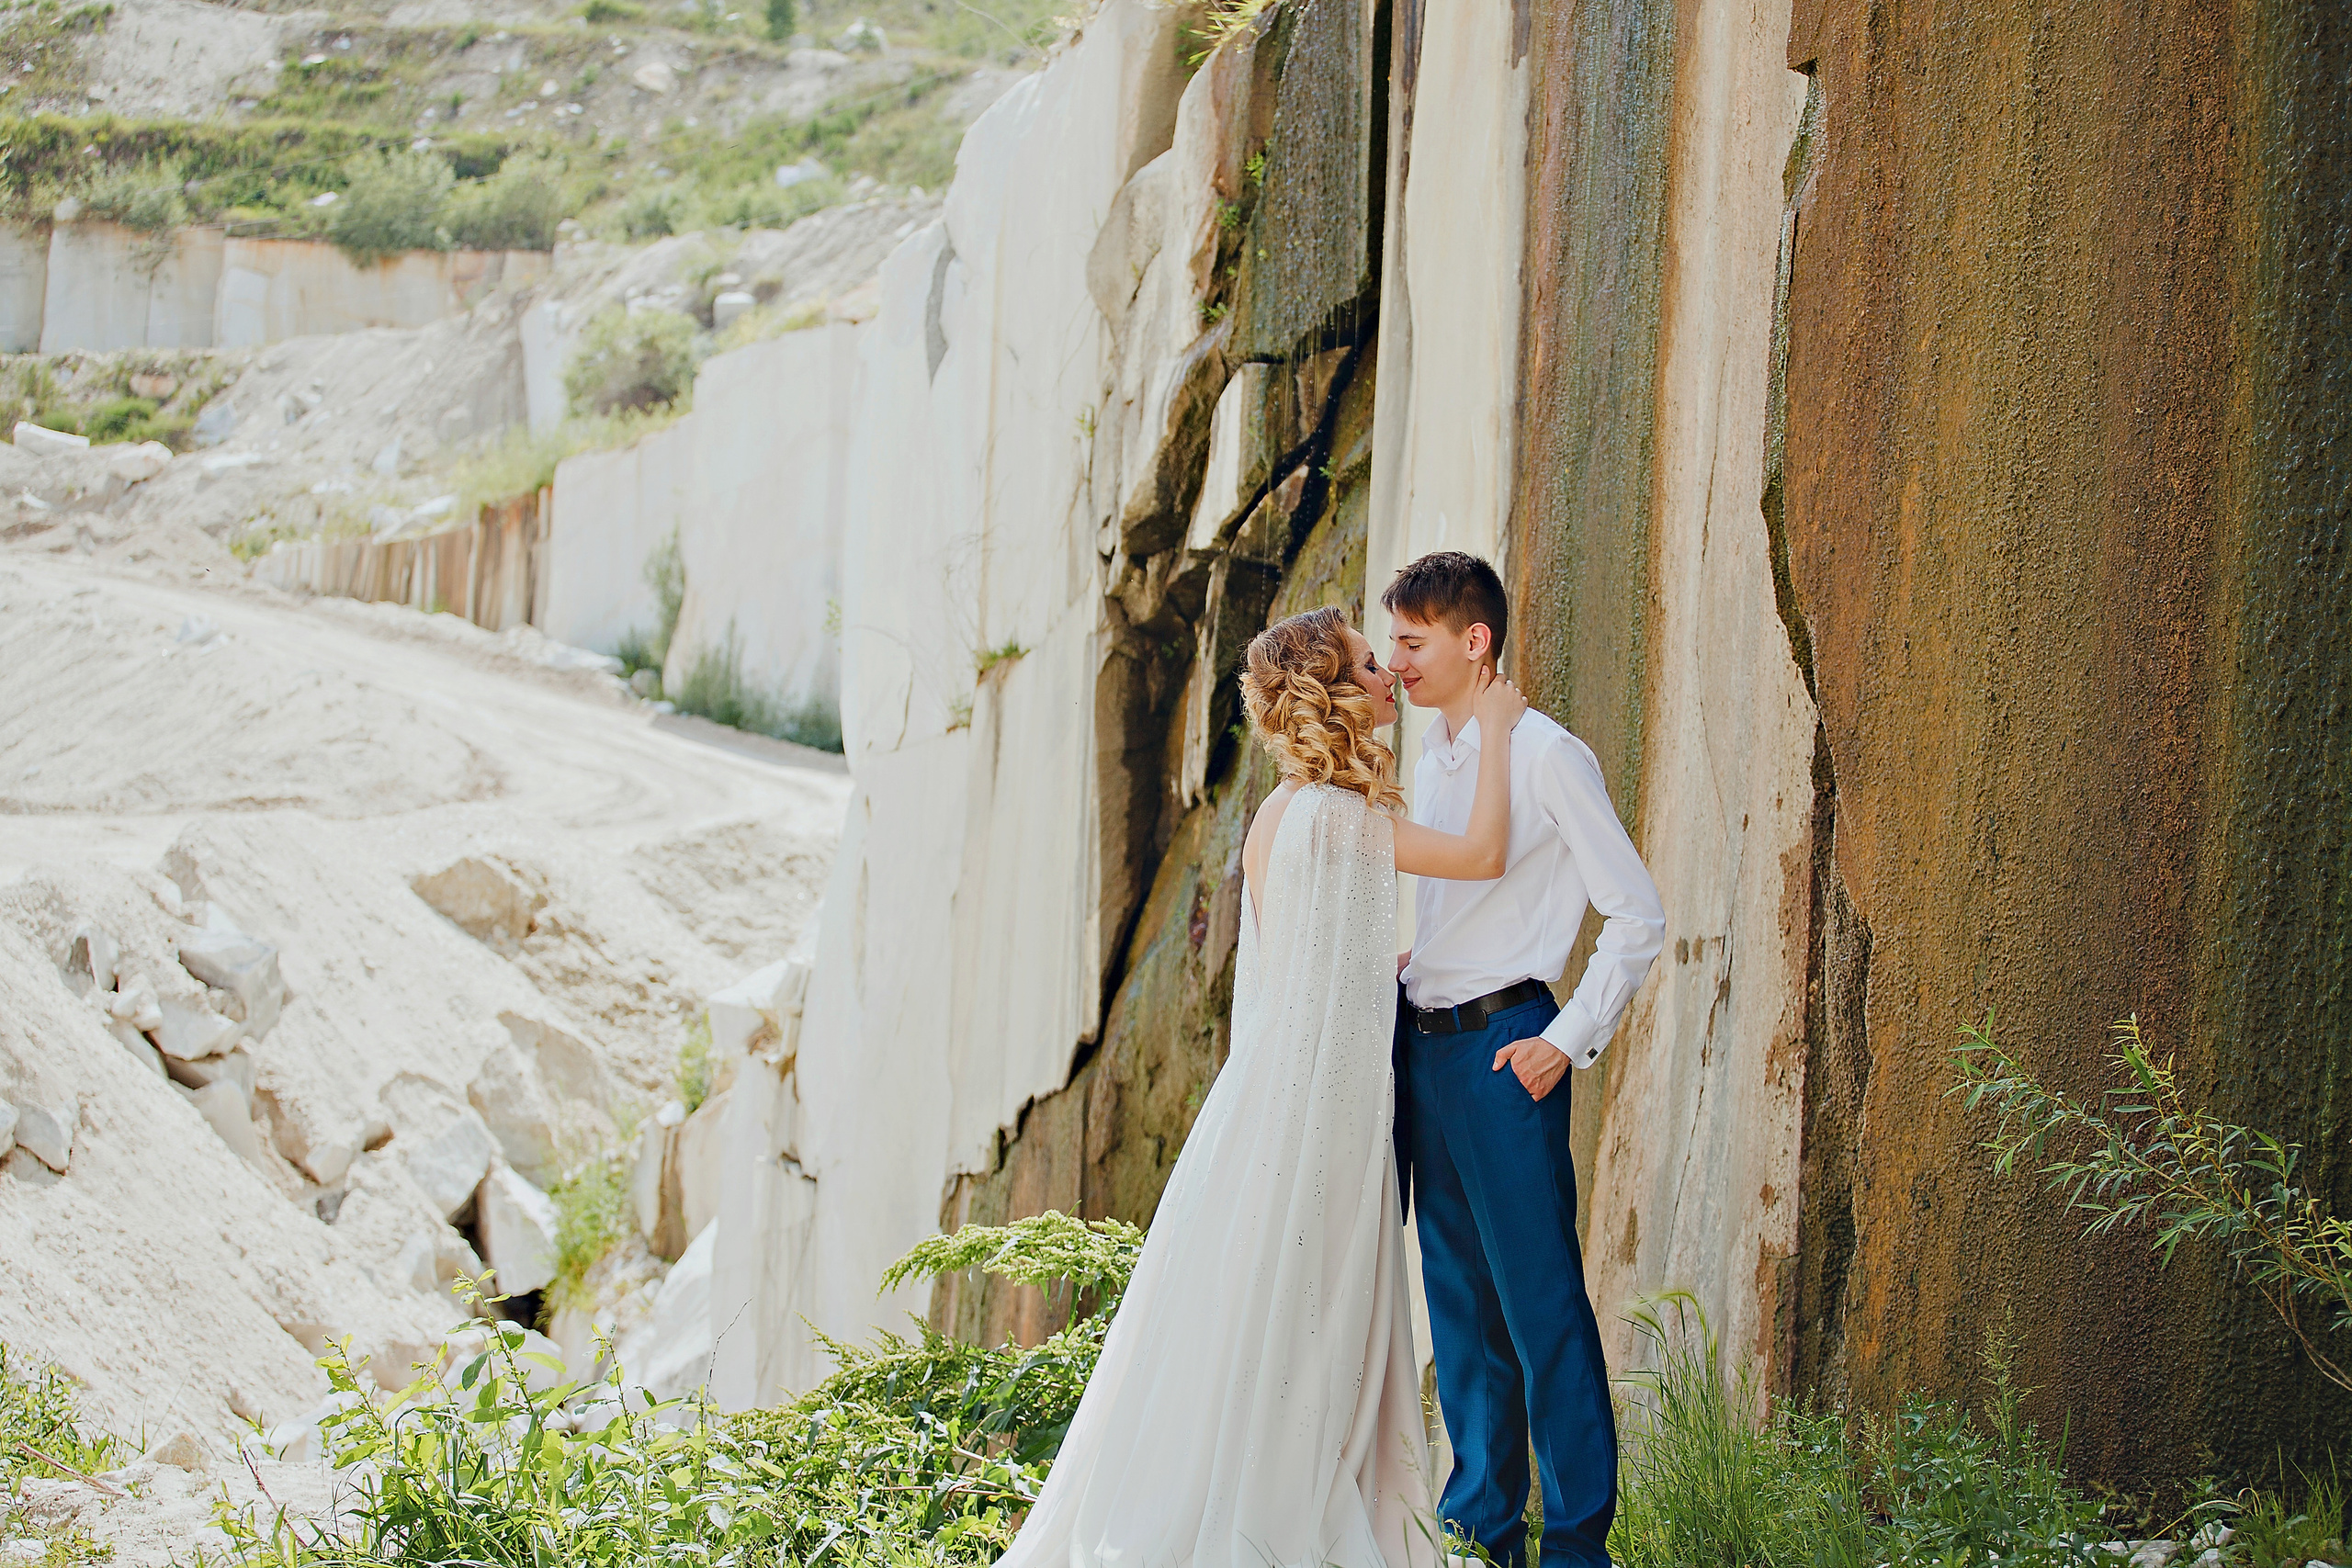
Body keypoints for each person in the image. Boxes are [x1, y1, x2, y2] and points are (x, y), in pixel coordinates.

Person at [993, 604, 1529, 1568]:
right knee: (1317, 1311)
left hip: (1269, 1095)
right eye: (1371, 664)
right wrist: (1492, 729)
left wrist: (1388, 962)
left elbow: (1304, 965)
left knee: (1262, 1307)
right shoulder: (1349, 819)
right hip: (1325, 1104)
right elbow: (1486, 857)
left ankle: (1249, 1496)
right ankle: (1279, 1517)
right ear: (1331, 691)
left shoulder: (1281, 815)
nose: (1388, 677)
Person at [1383, 551, 1666, 1568]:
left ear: (1475, 641)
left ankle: (1579, 1546)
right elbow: (1465, 895)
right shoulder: (1437, 755)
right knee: (1458, 1308)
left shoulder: (1546, 754)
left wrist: (1564, 1037)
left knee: (1540, 1307)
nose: (1396, 662)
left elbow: (1637, 912)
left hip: (1509, 1051)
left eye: (1412, 642)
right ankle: (1479, 1536)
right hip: (1426, 1050)